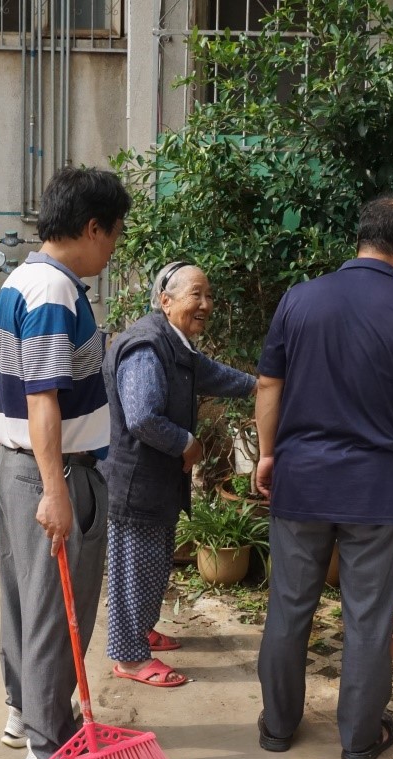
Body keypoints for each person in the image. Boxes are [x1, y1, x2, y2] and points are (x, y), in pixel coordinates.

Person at [254, 192, 393, 759]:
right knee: (367, 618)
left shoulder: (300, 299)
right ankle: (359, 740)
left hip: (302, 481)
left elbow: (268, 385)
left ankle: (277, 727)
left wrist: (267, 454)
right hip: (378, 488)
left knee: (288, 606)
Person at [0, 166, 131, 759]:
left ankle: (26, 712)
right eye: (115, 233)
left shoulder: (22, 278)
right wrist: (55, 491)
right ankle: (47, 747)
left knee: (25, 601)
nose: (115, 247)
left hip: (14, 464)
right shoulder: (53, 291)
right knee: (55, 610)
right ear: (93, 227)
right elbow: (42, 397)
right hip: (54, 471)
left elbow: (12, 378)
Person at [101, 262, 257, 688]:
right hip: (135, 483)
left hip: (157, 483)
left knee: (153, 564)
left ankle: (142, 630)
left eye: (209, 295)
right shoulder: (147, 347)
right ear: (165, 301)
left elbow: (210, 374)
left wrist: (256, 385)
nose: (206, 304)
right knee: (135, 570)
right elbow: (143, 418)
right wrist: (188, 444)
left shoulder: (176, 344)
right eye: (196, 295)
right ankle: (130, 658)